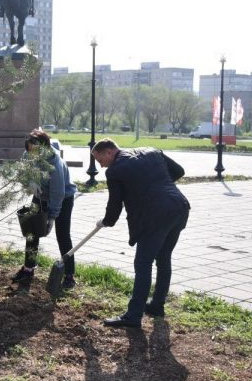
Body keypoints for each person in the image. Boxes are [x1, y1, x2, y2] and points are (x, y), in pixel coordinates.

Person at [91, 138, 190, 329]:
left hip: (155, 217)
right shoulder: (152, 151)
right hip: (179, 207)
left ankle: (133, 316)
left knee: (143, 263)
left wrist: (106, 221)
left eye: (100, 159)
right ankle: (156, 306)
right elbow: (178, 171)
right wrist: (157, 187)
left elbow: (115, 203)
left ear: (109, 152)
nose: (101, 166)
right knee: (163, 259)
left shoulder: (115, 171)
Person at [13, 129, 78, 288]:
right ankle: (28, 268)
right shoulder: (28, 153)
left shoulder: (55, 163)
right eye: (29, 149)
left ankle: (69, 275)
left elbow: (58, 193)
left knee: (62, 235)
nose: (31, 153)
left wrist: (52, 217)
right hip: (40, 195)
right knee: (31, 232)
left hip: (63, 198)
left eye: (35, 150)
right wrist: (29, 183)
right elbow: (22, 170)